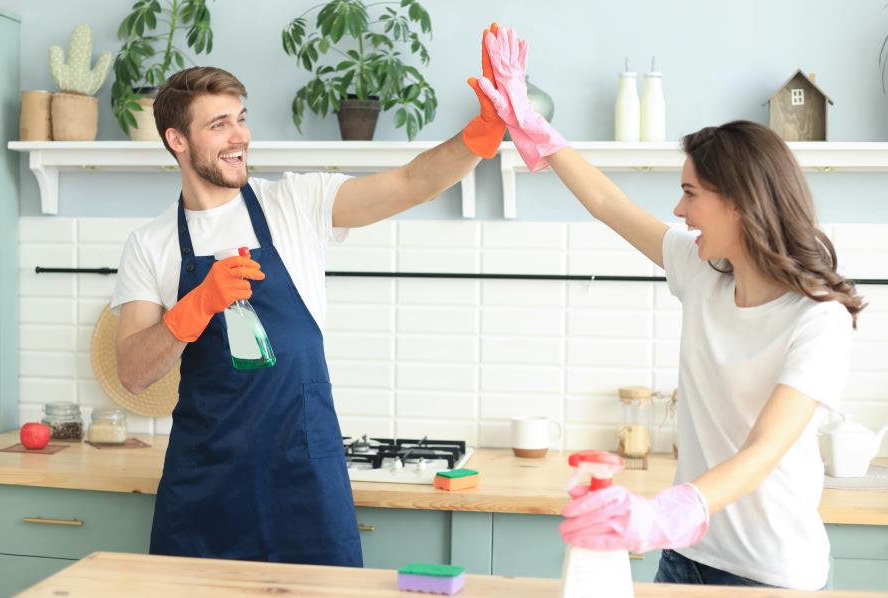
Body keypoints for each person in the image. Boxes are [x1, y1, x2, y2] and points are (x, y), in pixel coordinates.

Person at [477, 26, 866, 590]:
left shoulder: (817, 320)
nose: (678, 209)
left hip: (770, 574)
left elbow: (763, 452)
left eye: (691, 193)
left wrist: (663, 512)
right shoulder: (701, 271)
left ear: (740, 203)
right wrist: (532, 126)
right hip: (686, 556)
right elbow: (608, 203)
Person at [112, 26, 506, 566]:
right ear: (177, 141)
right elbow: (132, 371)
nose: (240, 136)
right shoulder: (151, 243)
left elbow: (412, 182)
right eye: (219, 124)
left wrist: (483, 132)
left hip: (303, 475)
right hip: (205, 484)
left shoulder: (295, 201)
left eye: (242, 119)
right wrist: (196, 306)